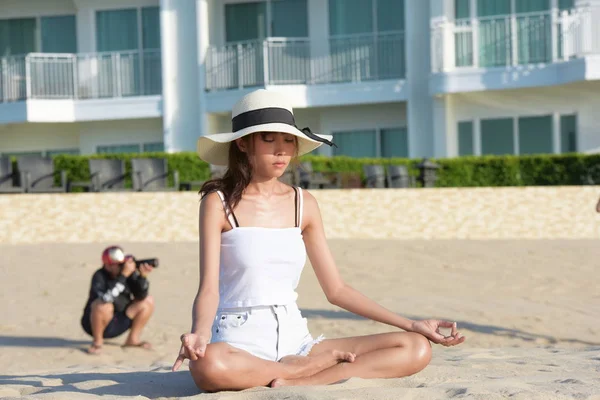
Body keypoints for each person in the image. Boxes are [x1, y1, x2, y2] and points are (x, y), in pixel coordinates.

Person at [172, 89, 465, 391]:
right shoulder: (217, 203)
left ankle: (300, 375)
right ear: (243, 143)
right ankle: (300, 372)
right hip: (238, 342)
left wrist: (411, 324)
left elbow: (336, 290)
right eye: (269, 139)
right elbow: (208, 288)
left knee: (415, 348)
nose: (282, 151)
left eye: (289, 140)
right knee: (208, 366)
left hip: (297, 341)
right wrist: (200, 333)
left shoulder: (304, 203)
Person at [81, 245, 155, 354]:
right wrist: (123, 276)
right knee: (102, 305)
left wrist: (142, 277)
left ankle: (132, 340)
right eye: (118, 264)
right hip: (95, 324)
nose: (122, 267)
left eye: (122, 263)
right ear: (107, 265)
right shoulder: (99, 276)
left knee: (148, 301)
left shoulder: (128, 274)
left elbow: (141, 296)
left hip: (119, 321)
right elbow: (107, 298)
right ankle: (97, 342)